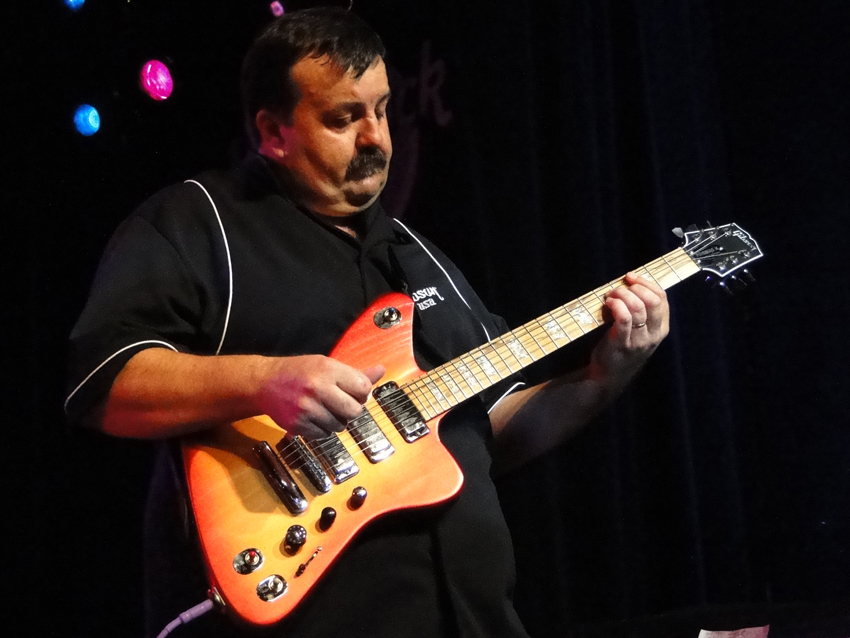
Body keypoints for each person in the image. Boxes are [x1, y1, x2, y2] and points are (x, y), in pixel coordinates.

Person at [66, 7, 670, 638]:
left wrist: (605, 376)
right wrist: (264, 382)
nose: (377, 137)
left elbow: (486, 430)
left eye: (381, 110)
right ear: (273, 131)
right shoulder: (199, 222)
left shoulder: (418, 254)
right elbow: (104, 383)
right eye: (343, 118)